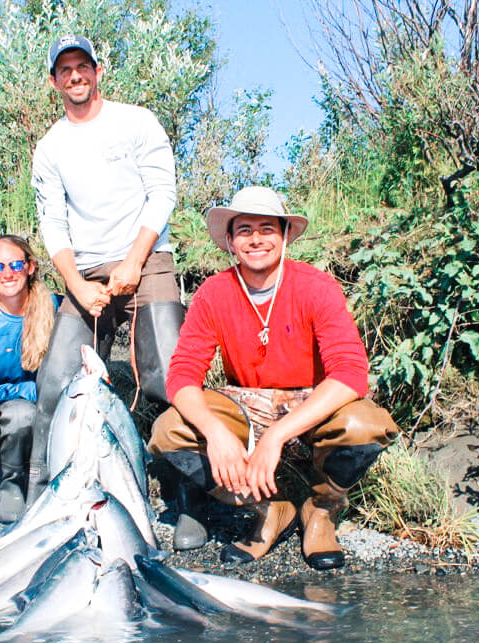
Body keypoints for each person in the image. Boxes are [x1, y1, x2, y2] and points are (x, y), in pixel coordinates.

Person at [148, 186, 400, 570]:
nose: (256, 239)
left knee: (364, 424)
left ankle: (321, 510)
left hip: (310, 402)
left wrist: (277, 436)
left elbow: (350, 373)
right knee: (170, 431)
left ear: (284, 236)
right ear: (230, 241)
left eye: (267, 228)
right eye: (244, 230)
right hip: (247, 402)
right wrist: (216, 434)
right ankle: (266, 509)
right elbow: (182, 374)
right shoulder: (214, 293)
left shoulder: (316, 287)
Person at [28, 34, 185, 501]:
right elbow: (53, 223)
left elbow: (163, 194)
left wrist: (135, 262)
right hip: (86, 272)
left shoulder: (136, 122)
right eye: (65, 69)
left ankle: (185, 493)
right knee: (55, 380)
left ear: (97, 72)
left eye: (83, 66)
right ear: (54, 80)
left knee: (166, 377)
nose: (75, 76)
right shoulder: (50, 148)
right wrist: (75, 284)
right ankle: (40, 490)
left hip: (148, 259)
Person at [0, 235, 58, 522]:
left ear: (30, 267)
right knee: (22, 413)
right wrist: (33, 392)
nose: (7, 274)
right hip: (12, 413)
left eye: (15, 264)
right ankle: (12, 484)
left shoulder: (56, 308)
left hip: (58, 402)